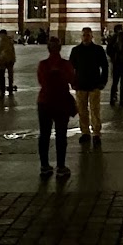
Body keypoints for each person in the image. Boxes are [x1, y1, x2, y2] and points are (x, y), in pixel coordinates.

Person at [36, 36, 76, 178]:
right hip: (61, 102)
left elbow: (41, 82)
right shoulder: (66, 64)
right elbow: (72, 81)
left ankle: (44, 166)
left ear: (48, 48)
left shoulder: (42, 64)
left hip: (45, 101)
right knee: (61, 135)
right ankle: (61, 166)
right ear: (60, 48)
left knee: (44, 135)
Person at [70, 28, 108, 146]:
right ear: (81, 37)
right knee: (82, 110)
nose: (86, 37)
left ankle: (96, 133)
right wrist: (73, 82)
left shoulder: (98, 50)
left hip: (94, 84)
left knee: (95, 110)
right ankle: (85, 132)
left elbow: (105, 67)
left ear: (92, 36)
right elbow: (71, 68)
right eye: (84, 35)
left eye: (88, 35)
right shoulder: (76, 50)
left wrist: (102, 81)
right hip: (80, 84)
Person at [107, 30, 123, 106]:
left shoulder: (115, 46)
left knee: (115, 82)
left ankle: (112, 98)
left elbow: (110, 52)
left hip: (116, 65)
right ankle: (122, 99)